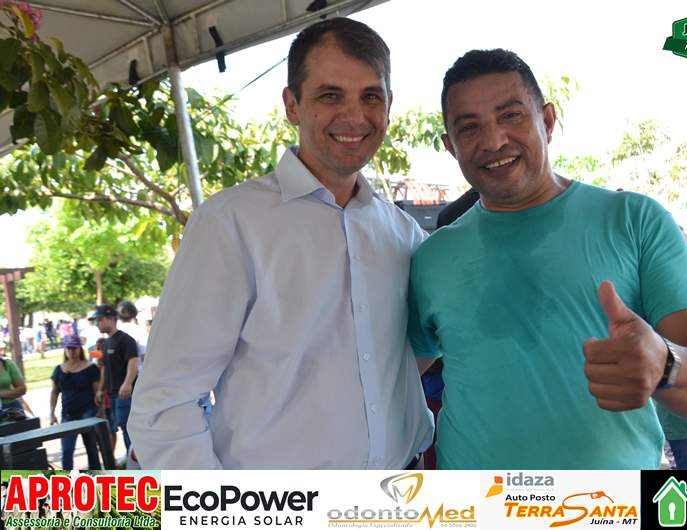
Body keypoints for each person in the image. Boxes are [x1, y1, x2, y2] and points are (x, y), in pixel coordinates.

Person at [408, 49, 687, 469]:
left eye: (511, 116)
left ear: (547, 121)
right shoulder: (433, 256)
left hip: (606, 499)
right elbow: (396, 373)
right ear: (450, 146)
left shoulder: (633, 220)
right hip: (474, 498)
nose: (493, 141)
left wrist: (665, 362)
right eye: (469, 127)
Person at [128, 17, 433, 469]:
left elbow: (415, 352)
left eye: (371, 96)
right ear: (292, 105)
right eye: (330, 95)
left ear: (389, 106)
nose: (355, 116)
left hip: (402, 490)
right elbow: (165, 402)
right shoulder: (230, 223)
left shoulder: (402, 233)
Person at [49, 335, 101, 470]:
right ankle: (67, 479)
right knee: (66, 451)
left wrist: (101, 410)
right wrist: (52, 413)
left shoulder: (90, 367)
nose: (71, 351)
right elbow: (54, 392)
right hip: (68, 415)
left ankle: (96, 476)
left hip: (88, 412)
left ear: (80, 349)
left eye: (74, 348)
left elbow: (97, 391)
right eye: (69, 348)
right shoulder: (59, 369)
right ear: (65, 350)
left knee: (92, 449)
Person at [92, 304, 138, 452]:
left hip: (124, 394)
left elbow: (133, 361)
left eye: (100, 320)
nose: (97, 323)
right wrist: (101, 389)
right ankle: (129, 457)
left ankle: (135, 460)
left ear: (112, 319)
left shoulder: (125, 339)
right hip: (111, 394)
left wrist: (127, 383)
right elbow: (105, 367)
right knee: (116, 427)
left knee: (128, 428)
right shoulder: (105, 343)